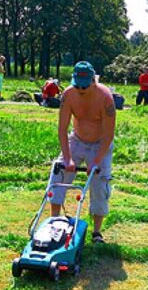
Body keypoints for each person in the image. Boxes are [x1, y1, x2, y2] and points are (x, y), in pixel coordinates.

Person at [49, 61, 116, 244]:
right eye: (77, 85)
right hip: (76, 140)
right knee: (58, 173)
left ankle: (96, 233)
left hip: (100, 144)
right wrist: (69, 158)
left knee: (99, 184)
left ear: (93, 81)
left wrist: (96, 160)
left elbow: (109, 135)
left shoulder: (106, 98)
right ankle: (53, 222)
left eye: (84, 87)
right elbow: (62, 129)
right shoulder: (69, 94)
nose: (80, 89)